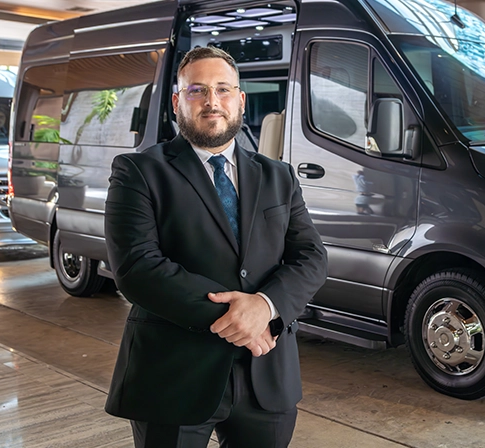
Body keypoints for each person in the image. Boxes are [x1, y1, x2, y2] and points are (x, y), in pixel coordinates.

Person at [103, 46, 328, 448]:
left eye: (224, 89)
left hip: (267, 374)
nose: (212, 101)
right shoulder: (138, 171)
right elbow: (137, 267)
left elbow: (310, 257)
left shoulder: (278, 176)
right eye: (197, 91)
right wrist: (242, 320)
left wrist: (266, 307)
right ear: (177, 101)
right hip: (174, 375)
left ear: (240, 100)